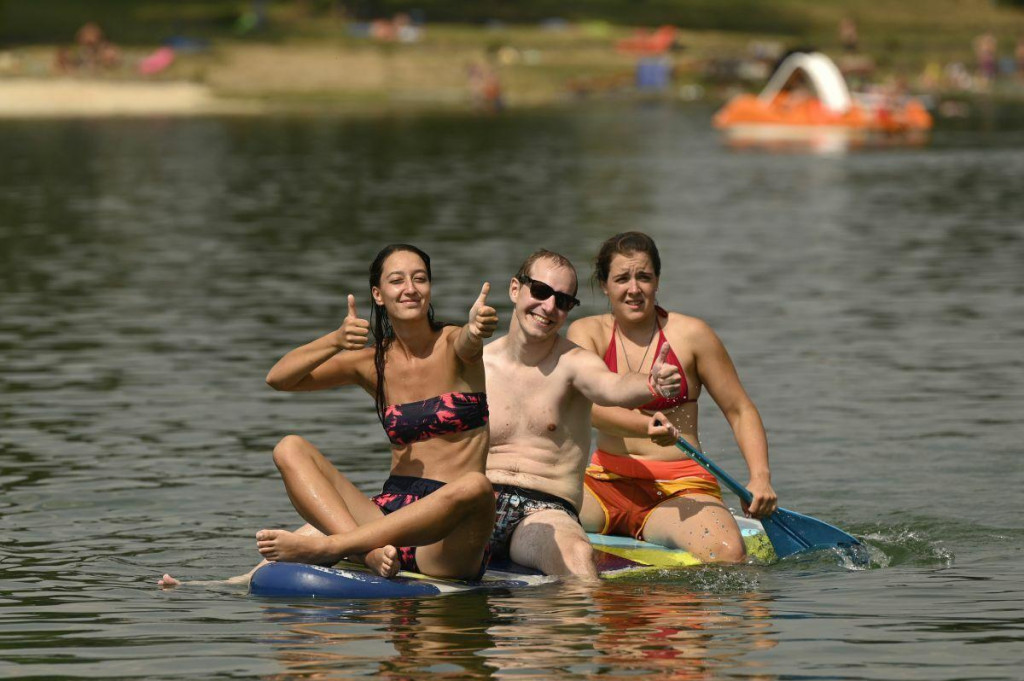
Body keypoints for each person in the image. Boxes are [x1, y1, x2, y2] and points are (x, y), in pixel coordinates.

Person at [159, 244, 499, 587]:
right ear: (378, 295)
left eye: (420, 279)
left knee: (476, 486)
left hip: (446, 539)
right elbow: (279, 378)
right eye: (397, 280)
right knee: (289, 447)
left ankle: (332, 547)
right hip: (384, 524)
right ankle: (365, 553)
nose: (410, 288)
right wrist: (335, 340)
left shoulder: (454, 344)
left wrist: (476, 328)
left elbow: (469, 343)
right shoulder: (371, 363)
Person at [565, 232, 777, 564]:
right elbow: (587, 408)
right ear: (605, 285)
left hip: (680, 486)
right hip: (602, 485)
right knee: (525, 519)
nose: (633, 288)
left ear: (657, 282)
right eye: (622, 278)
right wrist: (645, 425)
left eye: (644, 277)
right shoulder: (585, 333)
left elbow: (739, 410)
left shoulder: (693, 335)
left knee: (728, 556)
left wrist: (760, 478)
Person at [483, 249, 683, 580]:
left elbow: (613, 388)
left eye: (562, 301)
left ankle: (577, 625)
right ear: (515, 289)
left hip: (543, 512)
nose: (549, 307)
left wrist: (652, 384)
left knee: (576, 556)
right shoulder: (476, 363)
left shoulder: (575, 363)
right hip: (476, 505)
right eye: (541, 291)